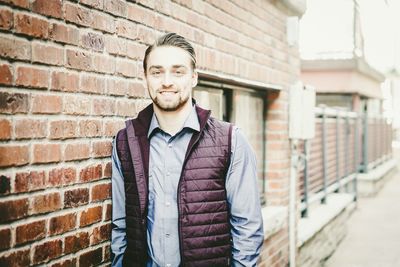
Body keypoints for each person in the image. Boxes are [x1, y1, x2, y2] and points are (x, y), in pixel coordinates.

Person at [111, 32, 264, 267]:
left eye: (178, 71)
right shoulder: (125, 141)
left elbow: (247, 230)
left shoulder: (230, 140)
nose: (166, 81)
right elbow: (121, 226)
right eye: (157, 72)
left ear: (194, 77)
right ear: (145, 78)